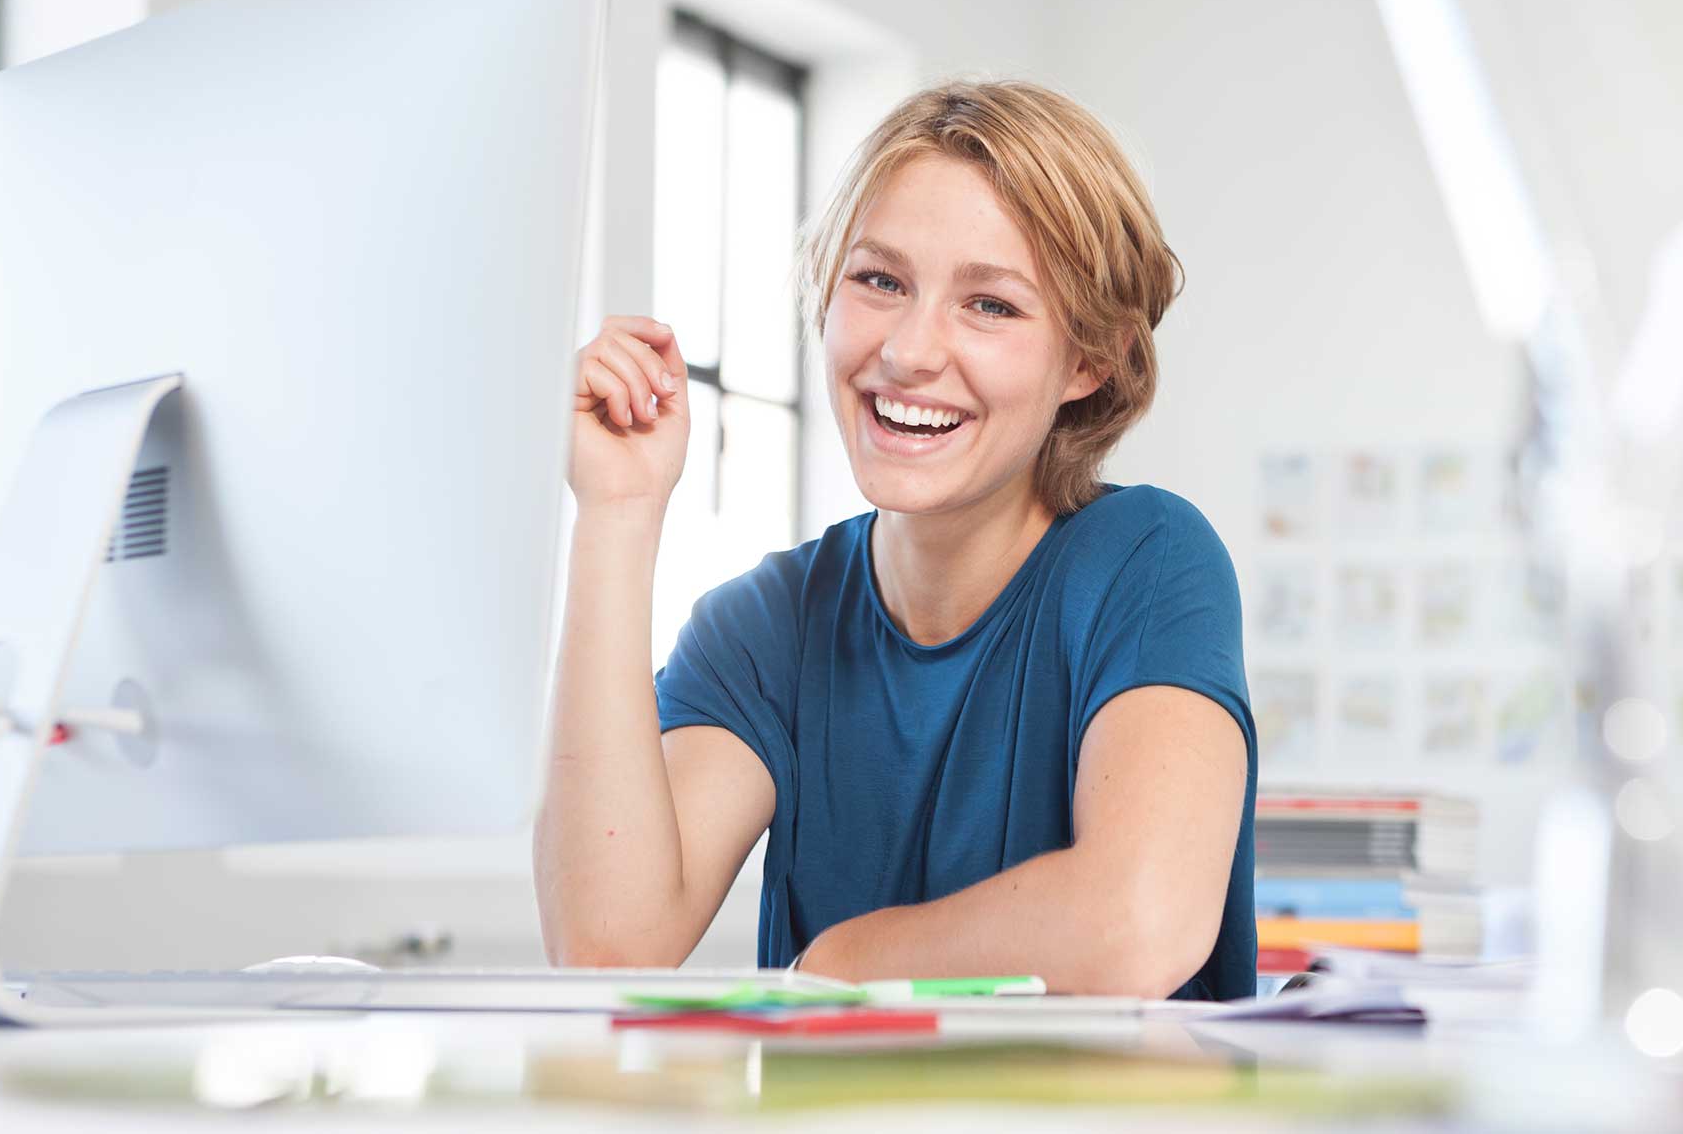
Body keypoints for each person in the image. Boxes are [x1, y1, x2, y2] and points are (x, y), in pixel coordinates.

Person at [535, 80, 1256, 1000]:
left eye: (990, 305)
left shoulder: (1147, 562)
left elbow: (1140, 921)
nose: (911, 352)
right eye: (880, 281)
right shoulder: (765, 625)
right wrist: (616, 511)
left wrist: (834, 966)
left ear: (1089, 359)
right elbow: (606, 946)